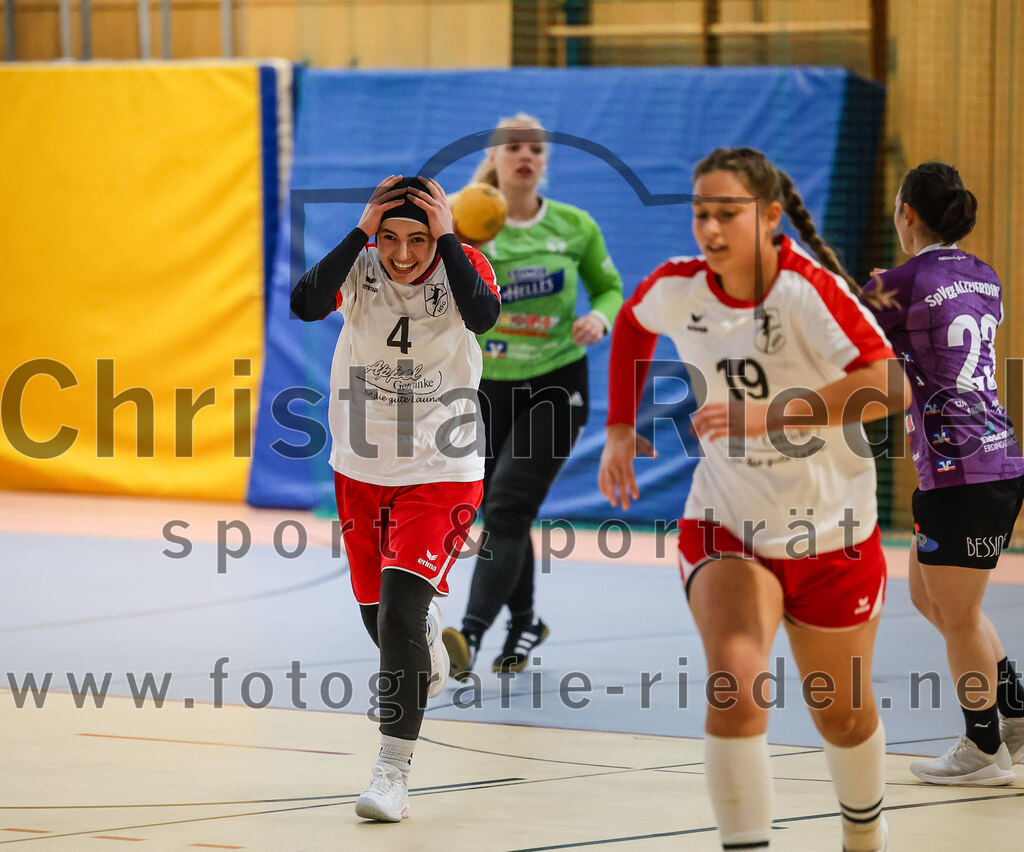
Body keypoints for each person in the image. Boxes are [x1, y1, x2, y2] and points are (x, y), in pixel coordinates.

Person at [598, 147, 909, 851]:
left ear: (770, 217)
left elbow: (890, 387)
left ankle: (865, 835)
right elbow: (635, 325)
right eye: (700, 213)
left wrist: (767, 413)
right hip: (728, 524)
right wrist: (620, 425)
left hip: (832, 534)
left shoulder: (807, 290)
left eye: (726, 213)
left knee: (843, 716)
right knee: (737, 684)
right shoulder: (680, 287)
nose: (709, 228)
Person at [290, 175, 500, 822]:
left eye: (416, 239)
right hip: (360, 465)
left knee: (402, 612)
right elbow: (304, 304)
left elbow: (484, 316)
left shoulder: (465, 265)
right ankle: (427, 646)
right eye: (390, 238)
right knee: (381, 619)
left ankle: (391, 774)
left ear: (436, 231)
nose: (403, 253)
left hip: (442, 466)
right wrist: (359, 232)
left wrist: (448, 238)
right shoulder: (358, 266)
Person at [859, 161, 1024, 785]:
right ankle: (1014, 712)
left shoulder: (899, 283)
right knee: (931, 599)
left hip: (967, 469)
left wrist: (875, 293)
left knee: (957, 616)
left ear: (906, 213)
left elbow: (848, 335)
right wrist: (885, 292)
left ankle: (983, 749)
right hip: (983, 458)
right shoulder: (984, 274)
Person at [441, 114, 624, 678]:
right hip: (488, 384)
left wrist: (599, 317)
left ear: (545, 162)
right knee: (500, 513)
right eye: (514, 147)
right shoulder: (468, 219)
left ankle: (468, 634)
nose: (526, 156)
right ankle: (524, 622)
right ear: (495, 158)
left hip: (555, 382)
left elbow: (611, 288)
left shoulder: (574, 226)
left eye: (536, 149)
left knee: (507, 505)